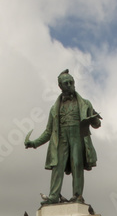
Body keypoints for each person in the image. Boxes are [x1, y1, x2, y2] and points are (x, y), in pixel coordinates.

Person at [24, 70, 101, 205]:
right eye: (67, 83)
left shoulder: (85, 103)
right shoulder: (54, 109)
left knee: (77, 164)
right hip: (61, 139)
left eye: (72, 82)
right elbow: (48, 131)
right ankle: (53, 196)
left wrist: (94, 120)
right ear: (60, 86)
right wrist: (34, 143)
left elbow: (97, 124)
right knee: (57, 167)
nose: (70, 85)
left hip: (77, 137)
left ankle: (77, 196)